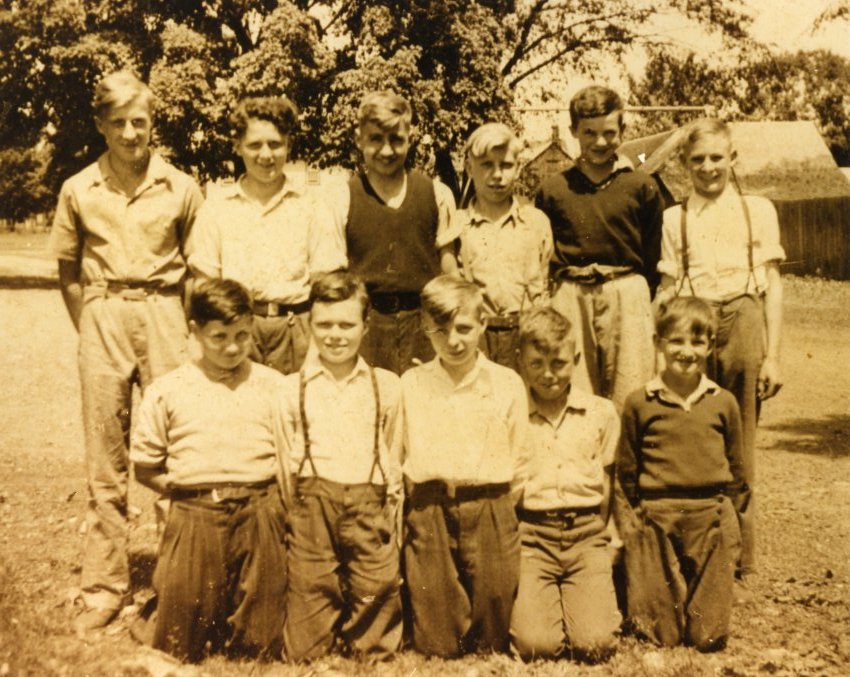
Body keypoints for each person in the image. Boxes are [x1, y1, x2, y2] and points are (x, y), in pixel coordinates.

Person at [48, 70, 204, 633]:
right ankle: (103, 589)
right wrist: (90, 322)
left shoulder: (181, 187)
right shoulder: (78, 188)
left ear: (151, 122)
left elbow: (198, 270)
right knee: (106, 461)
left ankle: (175, 584)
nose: (131, 133)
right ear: (100, 125)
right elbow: (67, 268)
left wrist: (185, 330)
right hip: (105, 314)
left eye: (140, 121)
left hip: (166, 315)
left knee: (175, 453)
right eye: (119, 123)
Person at [130, 279, 289, 663]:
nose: (232, 347)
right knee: (176, 641)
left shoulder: (274, 386)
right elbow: (145, 467)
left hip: (259, 508)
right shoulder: (169, 389)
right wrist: (188, 492)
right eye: (219, 336)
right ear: (194, 331)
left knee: (263, 643)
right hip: (197, 510)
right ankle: (174, 601)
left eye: (241, 335)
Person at [655, 117, 785, 585]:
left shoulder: (758, 209)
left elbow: (772, 284)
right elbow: (668, 286)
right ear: (685, 166)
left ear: (732, 159)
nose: (708, 168)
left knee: (740, 436)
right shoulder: (676, 218)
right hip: (693, 322)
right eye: (697, 160)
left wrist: (772, 355)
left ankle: (740, 555)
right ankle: (695, 548)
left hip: (744, 317)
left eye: (716, 158)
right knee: (690, 430)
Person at [395, 274, 529, 657]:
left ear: (483, 324)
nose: (453, 341)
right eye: (440, 331)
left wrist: (498, 507)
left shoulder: (506, 383)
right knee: (437, 644)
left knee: (492, 638)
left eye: (464, 329)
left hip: (490, 506)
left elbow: (519, 459)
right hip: (431, 508)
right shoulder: (412, 383)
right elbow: (399, 455)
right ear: (425, 330)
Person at [281, 271, 403, 661]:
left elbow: (392, 453)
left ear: (365, 327)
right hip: (314, 508)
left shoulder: (385, 385)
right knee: (304, 648)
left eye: (346, 324)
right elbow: (286, 465)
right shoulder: (292, 387)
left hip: (368, 505)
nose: (335, 335)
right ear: (310, 325)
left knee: (378, 589)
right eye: (325, 324)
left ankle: (368, 640)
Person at [616, 297, 745, 650]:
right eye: (676, 341)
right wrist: (638, 518)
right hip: (657, 513)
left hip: (709, 513)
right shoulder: (640, 402)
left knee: (707, 637)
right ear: (658, 343)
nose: (686, 351)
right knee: (661, 636)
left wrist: (731, 519)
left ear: (709, 346)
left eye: (697, 342)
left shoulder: (723, 402)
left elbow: (737, 470)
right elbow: (628, 470)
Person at [189, 96, 346, 375]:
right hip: (235, 333)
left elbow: (326, 286)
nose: (266, 155)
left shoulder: (313, 204)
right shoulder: (216, 209)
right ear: (238, 146)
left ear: (288, 144)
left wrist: (317, 345)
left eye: (275, 144)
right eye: (254, 145)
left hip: (296, 329)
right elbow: (205, 286)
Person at [536, 85, 663, 411]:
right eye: (589, 133)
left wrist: (631, 293)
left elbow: (652, 256)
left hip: (627, 291)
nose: (600, 142)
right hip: (571, 294)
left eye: (609, 132)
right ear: (574, 131)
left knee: (631, 390)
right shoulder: (554, 189)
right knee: (574, 391)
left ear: (622, 131)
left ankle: (624, 461)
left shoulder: (642, 186)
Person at [510, 307, 621, 662]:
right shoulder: (511, 413)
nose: (547, 375)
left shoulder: (600, 412)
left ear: (574, 359)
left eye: (558, 363)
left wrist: (600, 538)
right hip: (532, 537)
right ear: (521, 361)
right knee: (535, 645)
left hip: (586, 535)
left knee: (595, 645)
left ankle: (589, 603)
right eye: (536, 363)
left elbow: (607, 484)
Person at [331, 90, 460, 374]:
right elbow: (332, 279)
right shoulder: (343, 197)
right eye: (376, 139)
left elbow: (450, 271)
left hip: (425, 327)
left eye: (396, 140)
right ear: (359, 139)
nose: (387, 151)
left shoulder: (436, 193)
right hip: (367, 328)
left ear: (409, 138)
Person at [456, 122, 553, 370]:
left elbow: (544, 282)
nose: (497, 175)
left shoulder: (536, 222)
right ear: (469, 168)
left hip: (525, 332)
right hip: (478, 336)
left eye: (506, 165)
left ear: (518, 168)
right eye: (487, 165)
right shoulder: (458, 225)